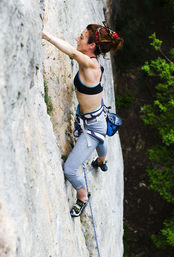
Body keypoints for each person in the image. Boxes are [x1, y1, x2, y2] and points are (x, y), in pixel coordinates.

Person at [42, 22, 123, 217]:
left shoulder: (89, 64)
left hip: (93, 126)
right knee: (101, 138)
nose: (77, 38)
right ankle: (102, 161)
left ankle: (83, 197)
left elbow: (71, 52)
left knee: (70, 169)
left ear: (91, 46)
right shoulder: (95, 64)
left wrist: (46, 35)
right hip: (98, 118)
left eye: (82, 37)